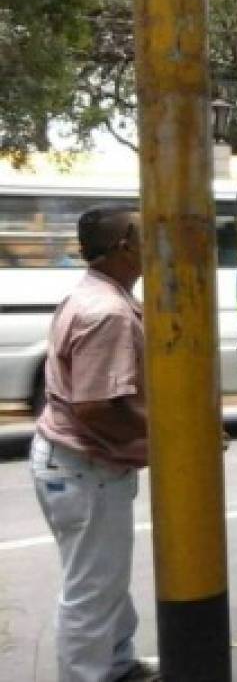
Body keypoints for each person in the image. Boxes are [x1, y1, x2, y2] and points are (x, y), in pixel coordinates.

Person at [29, 206, 160, 682]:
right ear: (126, 245)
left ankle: (118, 666)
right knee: (92, 589)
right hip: (84, 471)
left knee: (105, 582)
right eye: (147, 232)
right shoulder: (108, 313)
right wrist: (167, 441)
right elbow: (98, 407)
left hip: (80, 467)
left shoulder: (98, 295)